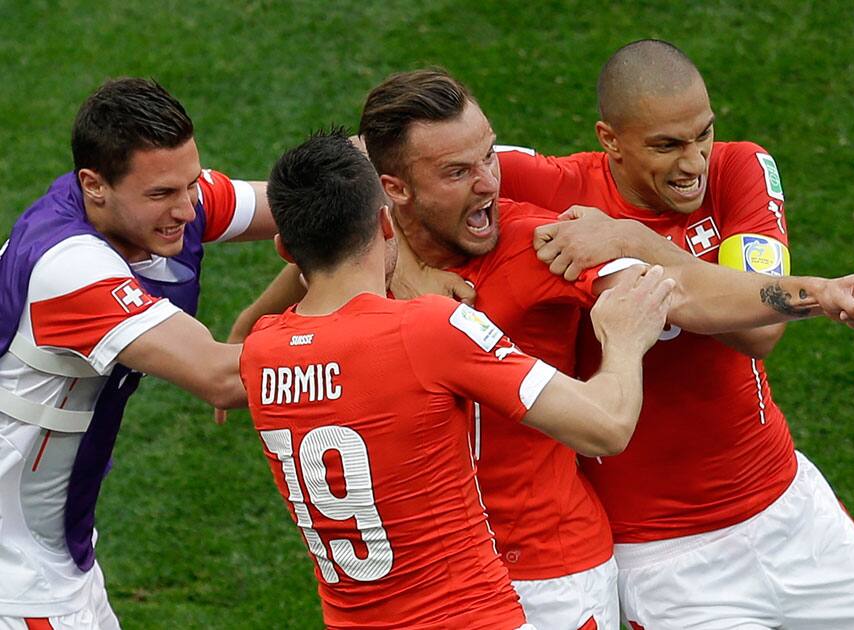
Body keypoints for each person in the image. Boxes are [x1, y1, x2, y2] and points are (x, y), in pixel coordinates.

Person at [232, 69, 854, 629]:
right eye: (458, 171)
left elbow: (687, 298)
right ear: (393, 193)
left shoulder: (544, 241)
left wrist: (815, 294)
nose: (489, 183)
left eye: (490, 157)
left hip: (560, 575)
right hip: (477, 586)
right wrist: (397, 268)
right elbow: (324, 206)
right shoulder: (375, 283)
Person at [496, 39, 854, 628]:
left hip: (791, 512)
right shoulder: (550, 185)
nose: (694, 162)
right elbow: (401, 162)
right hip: (666, 560)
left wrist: (631, 240)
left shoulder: (738, 168)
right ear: (609, 139)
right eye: (667, 145)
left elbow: (761, 329)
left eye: (702, 134)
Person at [240, 127, 674, 628]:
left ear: (284, 249)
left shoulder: (261, 352)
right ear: (386, 224)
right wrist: (623, 340)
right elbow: (607, 425)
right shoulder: (426, 330)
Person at [0, 77, 278, 629]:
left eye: (191, 185)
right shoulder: (69, 268)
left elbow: (304, 208)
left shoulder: (153, 204)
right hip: (17, 580)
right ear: (94, 185)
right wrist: (381, 330)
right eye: (162, 195)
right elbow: (223, 377)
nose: (186, 208)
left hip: (54, 558)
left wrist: (394, 167)